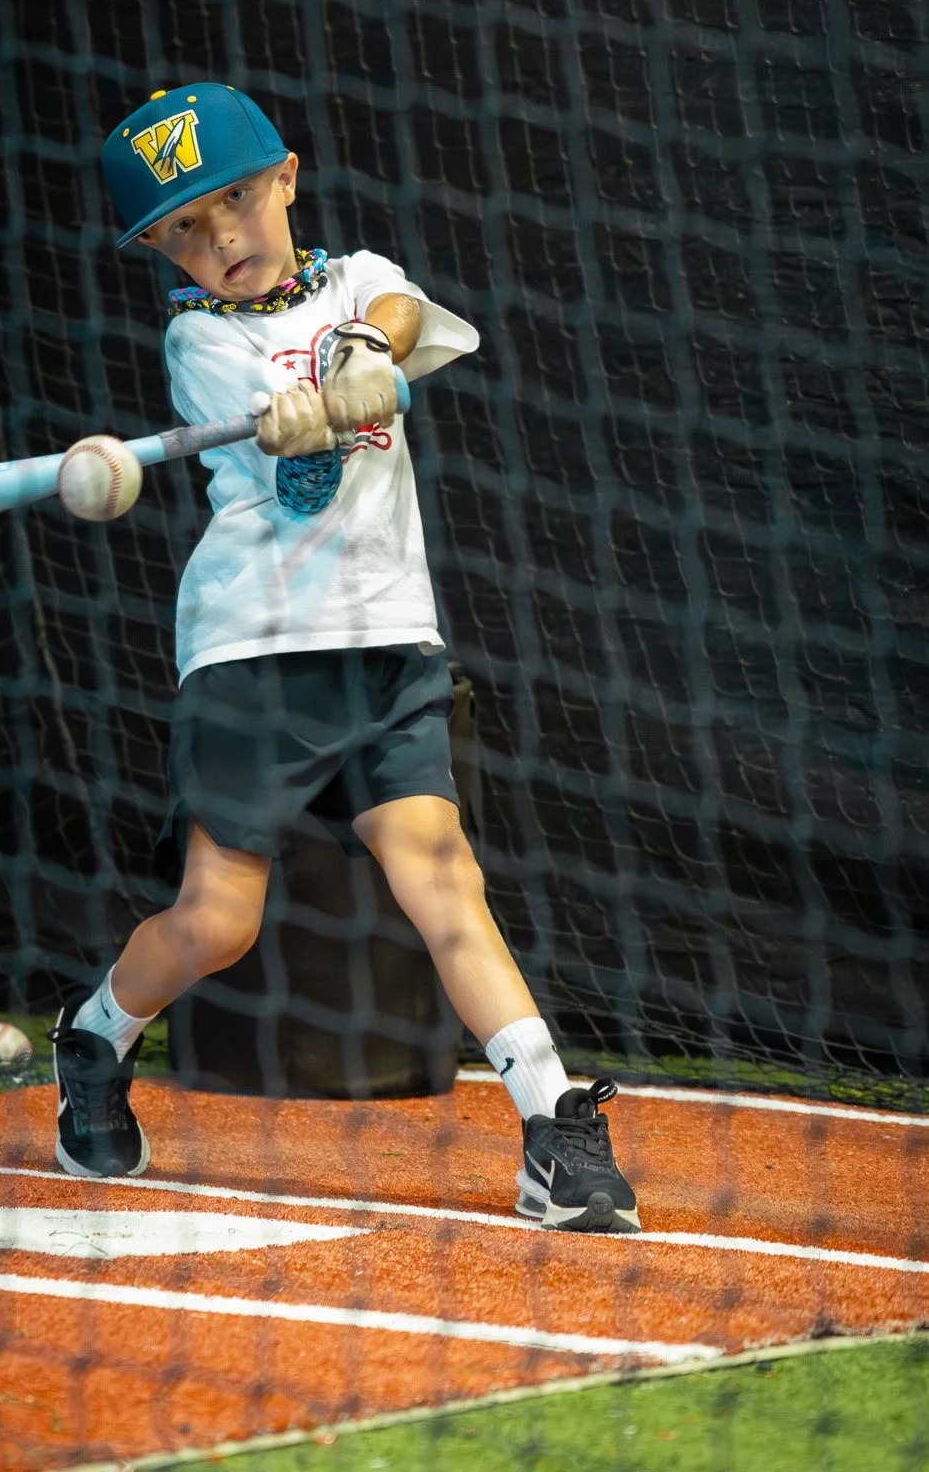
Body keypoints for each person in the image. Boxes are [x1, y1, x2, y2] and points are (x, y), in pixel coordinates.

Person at [51, 82, 639, 1234]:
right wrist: (313, 404)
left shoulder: (363, 275)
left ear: (287, 177)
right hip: (257, 651)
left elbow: (402, 316)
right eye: (182, 226)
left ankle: (549, 1120)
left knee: (441, 873)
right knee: (219, 921)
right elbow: (299, 448)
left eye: (233, 199)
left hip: (389, 636)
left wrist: (368, 346)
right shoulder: (199, 342)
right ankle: (97, 1035)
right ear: (158, 248)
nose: (218, 237)